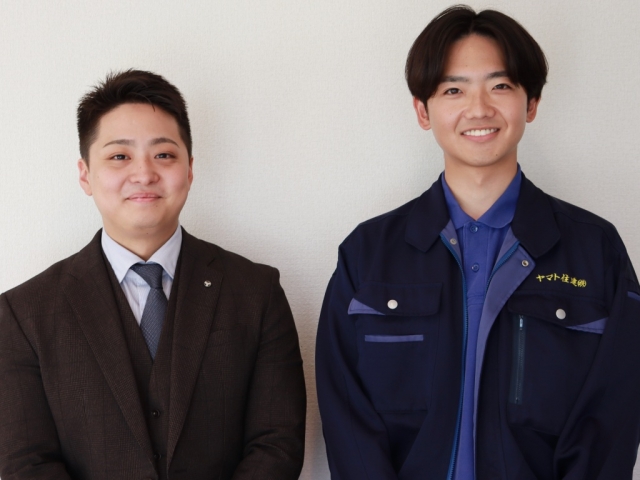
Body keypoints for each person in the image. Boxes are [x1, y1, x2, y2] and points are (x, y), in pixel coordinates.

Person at [316, 5, 640, 479]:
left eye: (500, 86)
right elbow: (346, 416)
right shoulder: (367, 256)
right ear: (423, 111)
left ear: (531, 103)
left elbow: (612, 417)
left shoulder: (595, 251)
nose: (479, 108)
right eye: (454, 89)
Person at [0, 70, 306, 480]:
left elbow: (277, 442)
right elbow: (26, 462)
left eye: (163, 155)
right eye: (119, 157)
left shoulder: (256, 292)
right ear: (85, 174)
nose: (144, 174)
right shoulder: (24, 312)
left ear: (190, 169)